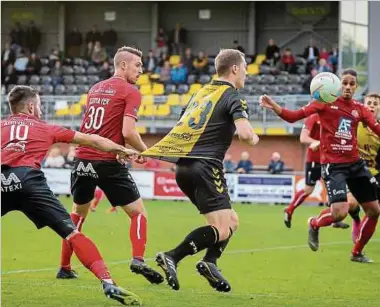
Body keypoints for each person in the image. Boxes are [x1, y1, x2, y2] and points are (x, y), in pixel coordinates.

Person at [1, 85, 141, 305]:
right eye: (38, 105)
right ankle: (108, 282)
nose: (39, 109)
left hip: (2, 179)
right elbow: (93, 140)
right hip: (30, 182)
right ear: (30, 106)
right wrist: (122, 150)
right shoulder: (47, 128)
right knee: (73, 234)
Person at [142, 49, 260, 291]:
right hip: (206, 166)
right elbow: (246, 135)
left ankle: (210, 262)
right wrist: (255, 138)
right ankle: (173, 256)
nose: (247, 72)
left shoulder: (201, 93)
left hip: (184, 167)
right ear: (235, 68)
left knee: (231, 221)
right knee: (222, 228)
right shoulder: (232, 95)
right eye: (245, 67)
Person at [56, 46, 164, 284]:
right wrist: (146, 153)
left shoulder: (95, 88)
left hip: (82, 160)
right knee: (138, 214)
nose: (141, 70)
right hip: (107, 161)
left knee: (77, 216)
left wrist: (122, 148)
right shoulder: (130, 91)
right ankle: (138, 259)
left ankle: (64, 267)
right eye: (138, 65)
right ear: (123, 65)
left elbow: (98, 126)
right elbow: (128, 131)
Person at [259, 69, 380, 263]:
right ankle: (314, 224)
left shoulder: (360, 108)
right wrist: (275, 106)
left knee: (374, 211)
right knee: (339, 214)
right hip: (334, 166)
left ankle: (357, 252)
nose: (348, 87)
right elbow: (293, 116)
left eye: (352, 84)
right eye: (345, 83)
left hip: (356, 165)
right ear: (339, 85)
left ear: (356, 87)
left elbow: (376, 128)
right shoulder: (324, 103)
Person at [284, 113, 352, 229]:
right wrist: (317, 142)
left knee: (334, 190)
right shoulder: (314, 117)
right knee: (308, 189)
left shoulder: (335, 117)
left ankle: (336, 219)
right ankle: (290, 209)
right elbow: (303, 138)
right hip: (315, 161)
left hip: (330, 161)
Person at [347, 93, 380, 242]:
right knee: (351, 204)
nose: (372, 105)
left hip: (375, 173)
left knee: (373, 210)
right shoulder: (354, 123)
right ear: (363, 105)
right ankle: (356, 220)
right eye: (369, 103)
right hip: (354, 171)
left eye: (375, 103)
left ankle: (359, 244)